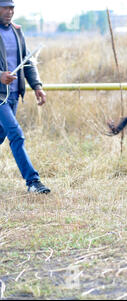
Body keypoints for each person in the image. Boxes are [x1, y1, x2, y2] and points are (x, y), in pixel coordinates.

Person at [0, 0, 50, 194]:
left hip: (13, 95)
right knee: (16, 134)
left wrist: (37, 86)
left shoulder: (16, 31)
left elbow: (27, 62)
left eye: (12, 7)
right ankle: (33, 182)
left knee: (2, 136)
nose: (10, 11)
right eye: (5, 7)